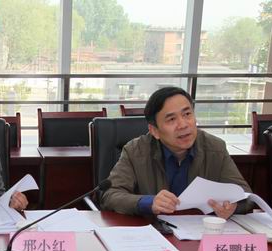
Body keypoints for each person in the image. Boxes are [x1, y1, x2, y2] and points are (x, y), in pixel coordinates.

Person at [101, 86, 252, 219]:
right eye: (171, 119)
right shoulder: (136, 151)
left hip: (200, 232)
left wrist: (233, 207)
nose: (183, 125)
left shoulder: (215, 148)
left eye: (187, 114)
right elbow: (110, 195)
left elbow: (246, 196)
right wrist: (149, 202)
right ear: (154, 131)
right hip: (154, 232)